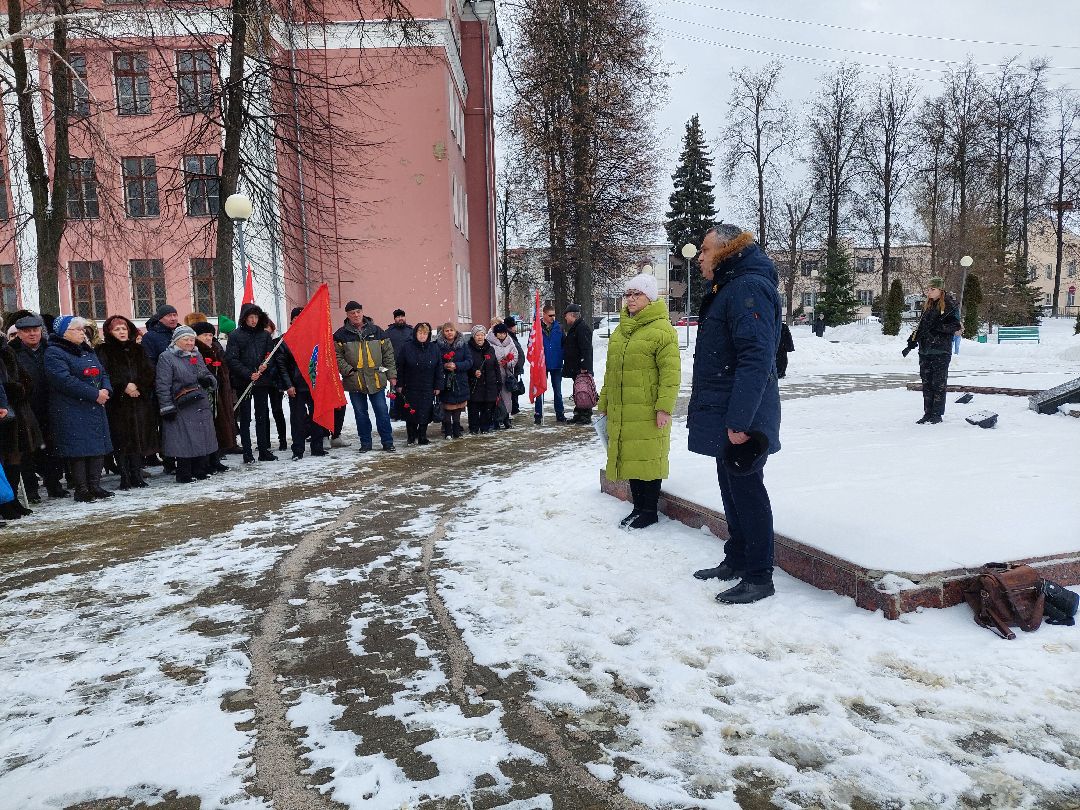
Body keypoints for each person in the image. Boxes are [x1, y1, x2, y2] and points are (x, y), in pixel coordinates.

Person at [688, 224, 782, 605]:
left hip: (743, 414)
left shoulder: (747, 288)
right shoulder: (731, 285)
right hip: (728, 410)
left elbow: (756, 357)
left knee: (747, 491)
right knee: (730, 487)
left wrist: (740, 420)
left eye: (706, 251)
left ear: (727, 251)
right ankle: (738, 558)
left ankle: (759, 576)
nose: (700, 258)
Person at [597, 273, 680, 530]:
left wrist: (664, 407)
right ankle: (638, 507)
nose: (631, 300)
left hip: (647, 408)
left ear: (650, 298)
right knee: (631, 457)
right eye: (628, 294)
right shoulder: (622, 330)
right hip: (623, 407)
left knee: (649, 458)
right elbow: (611, 371)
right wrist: (605, 403)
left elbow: (670, 374)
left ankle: (649, 511)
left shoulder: (662, 329)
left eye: (637, 294)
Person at [44, 315, 114, 502]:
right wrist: (94, 394)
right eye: (78, 330)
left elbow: (102, 371)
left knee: (97, 446)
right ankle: (82, 489)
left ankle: (95, 485)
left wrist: (106, 388)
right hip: (72, 408)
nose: (83, 333)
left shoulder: (87, 350)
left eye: (83, 330)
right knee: (79, 449)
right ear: (64, 333)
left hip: (95, 406)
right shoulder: (54, 352)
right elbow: (64, 380)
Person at [8, 312, 68, 499]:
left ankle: (54, 484)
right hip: (25, 407)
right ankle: (32, 489)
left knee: (51, 448)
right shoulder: (11, 352)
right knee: (28, 451)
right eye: (27, 331)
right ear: (18, 333)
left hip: (50, 405)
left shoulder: (50, 348)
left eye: (35, 330)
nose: (32, 334)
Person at [97, 316, 159, 489]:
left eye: (124, 328)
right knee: (122, 441)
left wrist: (137, 385)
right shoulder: (104, 350)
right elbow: (105, 373)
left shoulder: (138, 349)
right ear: (109, 332)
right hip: (118, 403)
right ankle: (124, 476)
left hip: (139, 400)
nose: (122, 332)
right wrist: (123, 386)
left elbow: (149, 371)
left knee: (138, 438)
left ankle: (137, 474)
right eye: (117, 329)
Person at [156, 325, 219, 483]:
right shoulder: (167, 357)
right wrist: (167, 407)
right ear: (177, 341)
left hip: (199, 401)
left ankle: (200, 470)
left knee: (202, 437)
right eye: (186, 339)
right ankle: (183, 473)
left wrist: (208, 381)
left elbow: (205, 373)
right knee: (184, 440)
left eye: (192, 339)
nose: (190, 342)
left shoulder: (196, 355)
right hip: (182, 403)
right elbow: (163, 385)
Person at [334, 301, 397, 452]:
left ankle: (388, 442)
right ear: (347, 315)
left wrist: (391, 375)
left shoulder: (377, 331)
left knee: (382, 412)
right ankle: (365, 443)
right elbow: (336, 356)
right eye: (352, 313)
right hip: (355, 381)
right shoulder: (340, 335)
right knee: (360, 414)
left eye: (358, 312)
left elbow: (388, 355)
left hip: (376, 379)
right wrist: (348, 371)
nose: (356, 315)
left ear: (362, 312)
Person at [903, 276, 961, 425]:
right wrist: (912, 341)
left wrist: (939, 327)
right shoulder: (928, 306)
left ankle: (937, 414)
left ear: (940, 290)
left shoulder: (949, 305)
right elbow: (921, 326)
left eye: (932, 289)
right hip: (925, 351)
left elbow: (956, 327)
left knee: (938, 384)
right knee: (927, 384)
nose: (928, 292)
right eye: (928, 289)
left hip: (940, 351)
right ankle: (927, 413)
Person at [273, 307, 328, 460]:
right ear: (292, 321)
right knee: (297, 419)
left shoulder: (314, 337)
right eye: (297, 318)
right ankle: (298, 450)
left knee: (316, 416)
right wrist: (288, 385)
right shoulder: (286, 340)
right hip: (296, 386)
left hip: (314, 384)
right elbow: (281, 365)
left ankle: (317, 447)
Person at [226, 303, 278, 462]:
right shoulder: (235, 336)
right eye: (250, 317)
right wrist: (248, 374)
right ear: (244, 318)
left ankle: (263, 450)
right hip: (244, 383)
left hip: (262, 382)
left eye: (256, 317)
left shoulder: (264, 335)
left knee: (262, 416)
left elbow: (271, 355)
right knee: (246, 418)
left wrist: (265, 365)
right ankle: (247, 452)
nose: (253, 320)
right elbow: (232, 359)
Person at [0, 333, 38, 518]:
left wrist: (19, 390)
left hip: (15, 412)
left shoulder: (6, 349)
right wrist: (9, 391)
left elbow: (25, 378)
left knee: (14, 456)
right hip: (4, 409)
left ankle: (12, 499)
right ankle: (4, 503)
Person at [192, 322, 238, 468]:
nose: (208, 338)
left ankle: (217, 457)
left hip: (221, 393)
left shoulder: (216, 349)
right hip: (207, 394)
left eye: (210, 335)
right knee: (210, 427)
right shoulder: (196, 351)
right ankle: (209, 459)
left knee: (221, 424)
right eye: (204, 335)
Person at [395, 322, 441, 445]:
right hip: (410, 386)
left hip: (428, 385)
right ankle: (411, 436)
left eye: (425, 333)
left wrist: (438, 385)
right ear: (415, 333)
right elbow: (400, 367)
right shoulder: (407, 347)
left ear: (428, 335)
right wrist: (399, 384)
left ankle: (422, 436)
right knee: (411, 412)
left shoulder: (434, 348)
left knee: (425, 412)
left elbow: (438, 368)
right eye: (420, 333)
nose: (422, 335)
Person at [434, 322, 471, 439]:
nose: (449, 333)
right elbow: (435, 362)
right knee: (447, 406)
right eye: (447, 330)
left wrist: (457, 365)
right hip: (445, 380)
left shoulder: (463, 345)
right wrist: (444, 365)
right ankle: (447, 430)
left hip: (460, 380)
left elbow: (469, 361)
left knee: (458, 406)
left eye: (451, 330)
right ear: (443, 332)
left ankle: (457, 428)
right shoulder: (438, 346)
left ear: (455, 332)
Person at [561, 304, 594, 424]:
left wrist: (585, 366)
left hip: (581, 368)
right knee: (578, 391)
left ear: (572, 315)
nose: (565, 319)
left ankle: (585, 415)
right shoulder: (576, 327)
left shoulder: (581, 328)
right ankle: (579, 413)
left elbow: (586, 349)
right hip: (576, 367)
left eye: (566, 316)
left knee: (584, 391)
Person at [533, 305, 566, 425]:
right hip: (542, 364)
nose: (553, 317)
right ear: (544, 314)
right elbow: (531, 344)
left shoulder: (559, 328)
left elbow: (564, 344)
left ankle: (560, 414)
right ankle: (538, 414)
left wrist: (561, 355)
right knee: (540, 390)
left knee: (557, 390)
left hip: (556, 363)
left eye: (554, 315)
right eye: (550, 315)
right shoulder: (536, 329)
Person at [465, 325, 499, 434]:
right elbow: (466, 365)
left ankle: (485, 427)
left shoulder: (490, 349)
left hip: (490, 384)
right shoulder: (468, 349)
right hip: (474, 385)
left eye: (482, 335)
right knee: (474, 408)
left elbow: (495, 366)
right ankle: (474, 429)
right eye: (477, 335)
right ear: (473, 336)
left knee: (488, 408)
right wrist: (473, 372)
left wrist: (498, 382)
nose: (480, 337)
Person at [264, 319, 289, 452]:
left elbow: (280, 363)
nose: (266, 330)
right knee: (262, 412)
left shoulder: (277, 343)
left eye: (268, 328)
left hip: (275, 382)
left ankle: (283, 440)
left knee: (277, 410)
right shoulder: (258, 343)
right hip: (262, 382)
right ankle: (265, 441)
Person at [486, 322, 516, 430]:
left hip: (506, 374)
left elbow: (515, 356)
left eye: (504, 333)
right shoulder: (489, 343)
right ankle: (496, 419)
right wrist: (495, 363)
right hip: (493, 374)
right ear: (495, 334)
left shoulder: (510, 342)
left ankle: (506, 418)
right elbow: (487, 356)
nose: (502, 335)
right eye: (500, 333)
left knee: (507, 397)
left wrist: (508, 362)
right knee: (495, 397)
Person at [503, 316, 526, 414]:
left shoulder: (512, 336)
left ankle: (515, 407)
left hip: (515, 367)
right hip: (512, 367)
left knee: (514, 387)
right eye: (514, 325)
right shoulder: (509, 337)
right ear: (510, 327)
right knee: (512, 388)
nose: (515, 327)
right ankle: (514, 408)